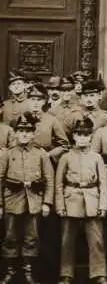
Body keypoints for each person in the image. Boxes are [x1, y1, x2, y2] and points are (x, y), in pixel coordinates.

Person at [0, 112, 55, 284]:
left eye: (28, 130)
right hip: (12, 200)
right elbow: (0, 179)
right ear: (16, 132)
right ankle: (10, 270)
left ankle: (28, 270)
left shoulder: (41, 154)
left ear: (33, 133)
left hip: (34, 201)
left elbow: (50, 180)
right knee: (10, 236)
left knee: (32, 236)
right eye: (21, 130)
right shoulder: (7, 154)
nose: (24, 134)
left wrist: (47, 202)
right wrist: (0, 204)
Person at [55, 117, 107, 284]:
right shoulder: (66, 157)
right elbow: (58, 183)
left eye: (86, 135)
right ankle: (66, 274)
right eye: (79, 134)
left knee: (97, 241)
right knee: (67, 241)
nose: (83, 138)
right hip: (71, 200)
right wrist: (60, 205)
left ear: (90, 137)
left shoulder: (96, 157)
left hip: (92, 200)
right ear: (74, 137)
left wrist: (103, 205)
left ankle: (99, 274)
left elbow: (103, 183)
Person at [26, 83, 70, 162]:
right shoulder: (21, 119)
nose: (35, 103)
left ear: (44, 101)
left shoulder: (51, 120)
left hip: (44, 161)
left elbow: (65, 145)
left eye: (39, 100)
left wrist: (49, 154)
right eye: (32, 99)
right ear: (27, 101)